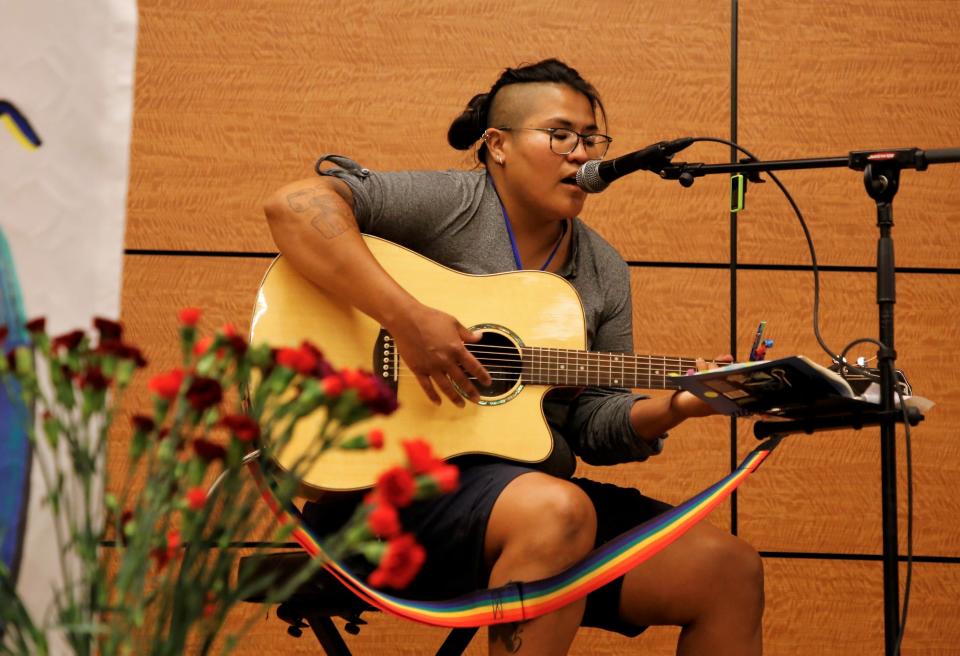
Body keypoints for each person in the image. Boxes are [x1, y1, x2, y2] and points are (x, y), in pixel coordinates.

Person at [263, 58, 763, 656]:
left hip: (530, 505)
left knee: (728, 571)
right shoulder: (452, 204)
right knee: (557, 510)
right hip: (387, 494)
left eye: (591, 139)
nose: (581, 154)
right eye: (560, 135)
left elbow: (594, 427)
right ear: (497, 145)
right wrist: (410, 320)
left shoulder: (601, 269)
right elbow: (293, 205)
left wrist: (680, 405)